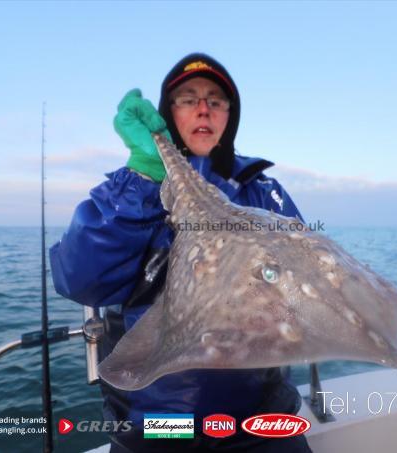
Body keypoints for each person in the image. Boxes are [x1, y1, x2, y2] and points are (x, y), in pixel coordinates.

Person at [50, 53, 312, 453]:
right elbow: (79, 279)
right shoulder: (135, 187)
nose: (203, 108)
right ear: (168, 113)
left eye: (215, 100)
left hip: (258, 420)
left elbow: (305, 276)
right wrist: (142, 177)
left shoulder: (264, 193)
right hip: (159, 424)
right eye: (188, 99)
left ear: (229, 116)